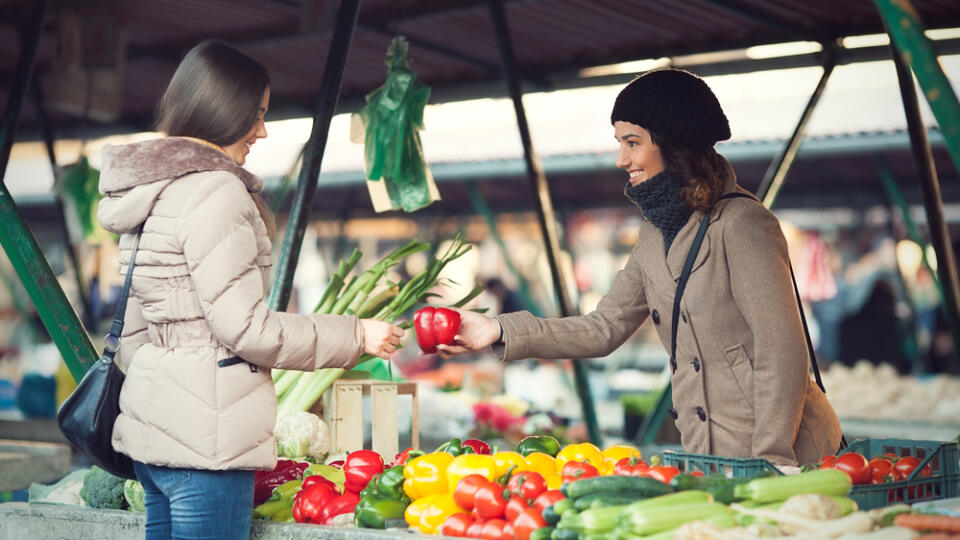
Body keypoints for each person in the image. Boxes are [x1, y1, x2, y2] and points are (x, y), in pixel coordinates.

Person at [438, 68, 842, 467]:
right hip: (711, 454)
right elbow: (603, 327)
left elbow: (782, 350)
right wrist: (500, 328)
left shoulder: (741, 224)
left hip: (787, 458)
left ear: (673, 144)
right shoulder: (655, 232)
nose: (621, 158)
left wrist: (771, 458)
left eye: (632, 142)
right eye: (620, 143)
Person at [97, 41, 403, 539]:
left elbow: (133, 331)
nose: (261, 130)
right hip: (208, 448)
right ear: (222, 110)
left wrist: (172, 387)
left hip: (151, 439)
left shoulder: (152, 193)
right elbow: (246, 328)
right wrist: (356, 335)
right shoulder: (215, 191)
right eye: (255, 114)